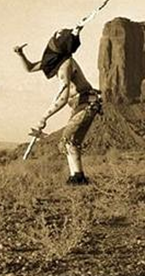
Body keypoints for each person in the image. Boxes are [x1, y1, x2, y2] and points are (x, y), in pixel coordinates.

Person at [14, 26, 101, 184]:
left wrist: (45, 117)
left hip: (86, 102)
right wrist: (21, 55)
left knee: (69, 139)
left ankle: (78, 178)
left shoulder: (65, 64)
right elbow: (30, 68)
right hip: (79, 104)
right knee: (68, 141)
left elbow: (63, 95)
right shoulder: (54, 62)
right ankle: (77, 176)